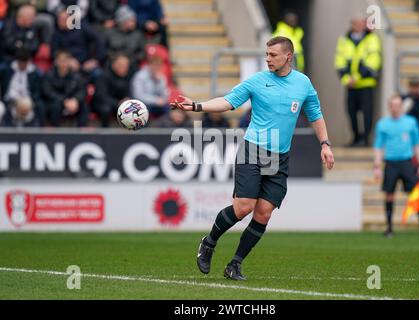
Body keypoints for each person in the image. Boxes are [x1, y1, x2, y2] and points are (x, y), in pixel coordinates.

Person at [171, 36, 334, 281]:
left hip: (280, 156)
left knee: (263, 213)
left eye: (273, 55)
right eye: (266, 54)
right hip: (254, 150)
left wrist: (325, 143)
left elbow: (315, 115)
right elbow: (227, 102)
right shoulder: (257, 81)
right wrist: (195, 106)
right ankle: (209, 242)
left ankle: (234, 264)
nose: (268, 59)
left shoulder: (303, 83)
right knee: (243, 207)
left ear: (288, 56)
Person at [373, 95, 419, 238]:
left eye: (398, 105)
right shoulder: (383, 124)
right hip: (391, 163)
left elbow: (417, 145)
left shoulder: (410, 122)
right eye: (392, 105)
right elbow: (378, 147)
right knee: (389, 195)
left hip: (407, 162)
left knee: (416, 194)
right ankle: (389, 228)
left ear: (401, 106)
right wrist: (377, 167)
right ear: (389, 107)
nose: (395, 107)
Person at [335, 15, 382, 147]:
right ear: (352, 25)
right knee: (351, 112)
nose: (360, 26)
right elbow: (339, 60)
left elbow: (374, 60)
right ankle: (355, 137)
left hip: (366, 84)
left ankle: (365, 139)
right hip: (350, 85)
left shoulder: (371, 38)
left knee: (367, 113)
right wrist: (346, 78)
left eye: (362, 23)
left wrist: (358, 77)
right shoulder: (344, 40)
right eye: (357, 23)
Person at [41, 50, 87, 127]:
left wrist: (75, 100)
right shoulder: (49, 75)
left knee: (84, 106)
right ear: (56, 62)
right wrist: (64, 101)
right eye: (61, 61)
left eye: (66, 61)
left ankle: (82, 132)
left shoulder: (76, 76)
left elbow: (82, 90)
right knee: (55, 106)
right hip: (56, 102)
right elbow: (47, 91)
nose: (64, 63)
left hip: (72, 102)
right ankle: (56, 131)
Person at [92, 54, 134, 127]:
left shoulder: (129, 76)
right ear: (114, 64)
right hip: (103, 103)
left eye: (126, 65)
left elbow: (130, 92)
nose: (124, 67)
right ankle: (105, 133)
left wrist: (127, 100)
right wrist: (117, 103)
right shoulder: (103, 76)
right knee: (106, 109)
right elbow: (101, 96)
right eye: (121, 65)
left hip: (121, 104)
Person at [131, 54, 170, 119]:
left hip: (156, 104)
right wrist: (155, 100)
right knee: (144, 109)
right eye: (155, 65)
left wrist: (158, 82)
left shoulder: (161, 77)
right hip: (142, 103)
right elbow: (138, 95)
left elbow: (165, 95)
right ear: (149, 65)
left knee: (169, 108)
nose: (157, 67)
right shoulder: (140, 76)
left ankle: (163, 128)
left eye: (159, 65)